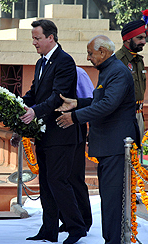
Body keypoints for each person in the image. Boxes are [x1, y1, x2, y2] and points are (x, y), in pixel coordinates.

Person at [56, 35, 139, 244]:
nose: (88, 57)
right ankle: (111, 240)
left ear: (102, 52)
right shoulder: (109, 70)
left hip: (115, 144)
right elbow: (100, 100)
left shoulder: (118, 72)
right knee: (108, 196)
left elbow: (108, 105)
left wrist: (75, 117)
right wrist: (77, 103)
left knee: (112, 197)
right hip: (107, 145)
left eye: (91, 53)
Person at [18, 19, 87, 244]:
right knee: (46, 183)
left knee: (58, 180)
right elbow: (34, 93)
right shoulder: (41, 63)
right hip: (45, 134)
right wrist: (16, 104)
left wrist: (34, 112)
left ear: (51, 37)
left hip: (62, 132)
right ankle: (49, 229)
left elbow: (58, 97)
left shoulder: (65, 61)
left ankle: (76, 227)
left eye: (37, 38)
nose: (34, 43)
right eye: (33, 39)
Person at [59, 66, 93, 233]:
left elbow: (91, 100)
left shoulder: (78, 72)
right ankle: (67, 219)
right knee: (59, 178)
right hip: (55, 133)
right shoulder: (45, 70)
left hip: (74, 127)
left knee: (74, 176)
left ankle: (84, 220)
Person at [115, 9, 148, 145]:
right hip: (123, 116)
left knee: (137, 156)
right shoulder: (118, 60)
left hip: (139, 114)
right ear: (128, 38)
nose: (144, 42)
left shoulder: (139, 60)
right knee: (125, 156)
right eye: (140, 38)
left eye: (144, 38)